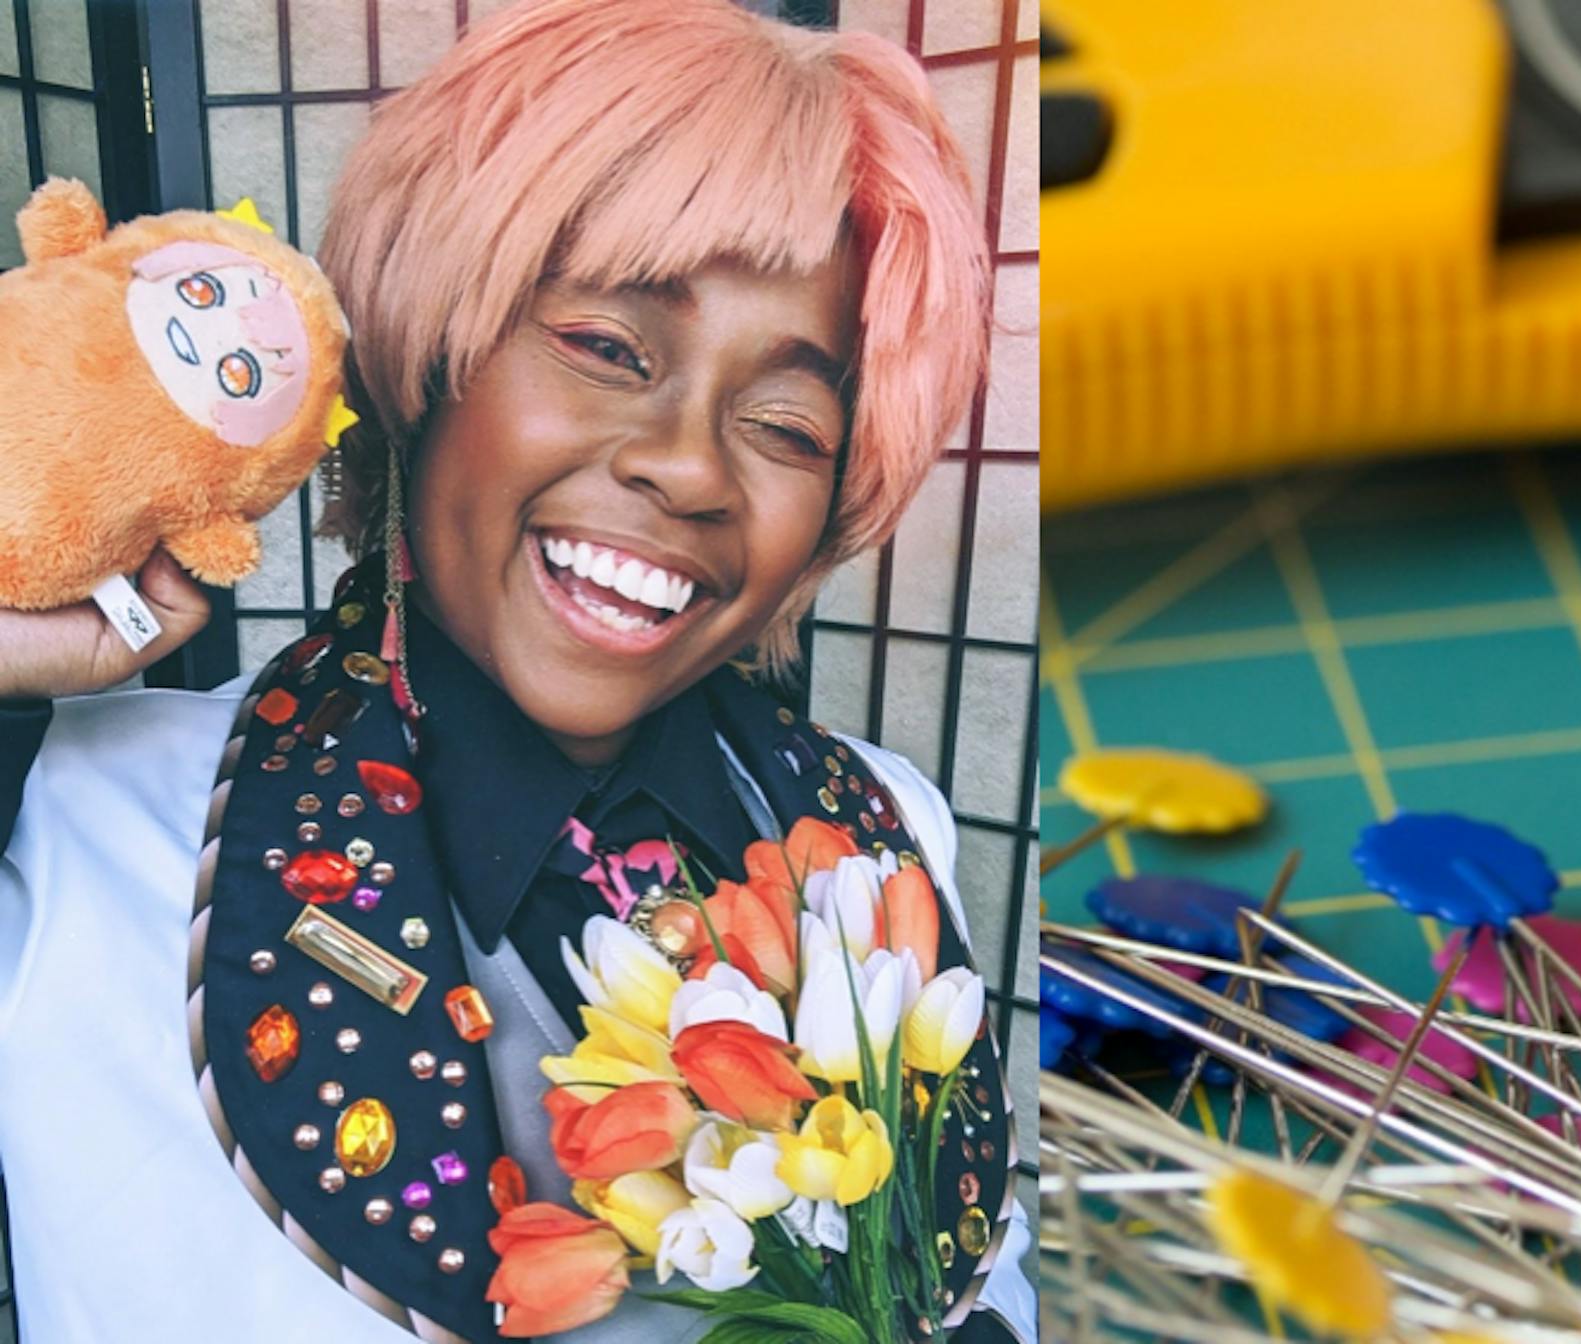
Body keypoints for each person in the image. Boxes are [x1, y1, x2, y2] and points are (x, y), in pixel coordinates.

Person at [0, 1, 1031, 1339]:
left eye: (787, 420)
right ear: (424, 359)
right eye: (607, 347)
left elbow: (983, 1267)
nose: (690, 465)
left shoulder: (883, 842)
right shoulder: (73, 822)